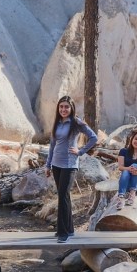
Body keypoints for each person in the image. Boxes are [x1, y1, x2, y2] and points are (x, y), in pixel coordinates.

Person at [45, 95, 98, 243]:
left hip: (69, 165)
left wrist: (80, 151)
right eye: (61, 107)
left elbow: (93, 137)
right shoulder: (57, 123)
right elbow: (52, 146)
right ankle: (69, 229)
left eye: (66, 107)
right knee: (64, 196)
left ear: (71, 108)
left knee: (62, 195)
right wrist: (48, 165)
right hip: (56, 164)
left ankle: (63, 233)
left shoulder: (76, 122)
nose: (63, 109)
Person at [114, 130, 137, 209]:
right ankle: (121, 198)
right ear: (132, 139)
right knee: (127, 170)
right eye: (136, 139)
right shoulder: (123, 151)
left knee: (135, 165)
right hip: (127, 184)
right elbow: (120, 167)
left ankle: (132, 194)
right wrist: (129, 168)